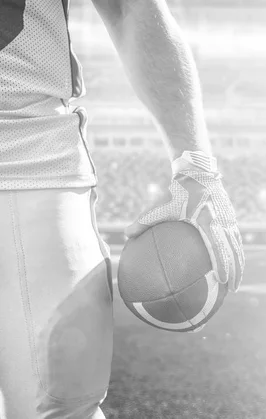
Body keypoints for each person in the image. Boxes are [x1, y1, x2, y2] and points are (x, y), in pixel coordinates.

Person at [0, 0, 245, 417]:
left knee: (59, 407)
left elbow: (129, 7)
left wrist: (197, 167)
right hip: (30, 168)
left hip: (26, 160)